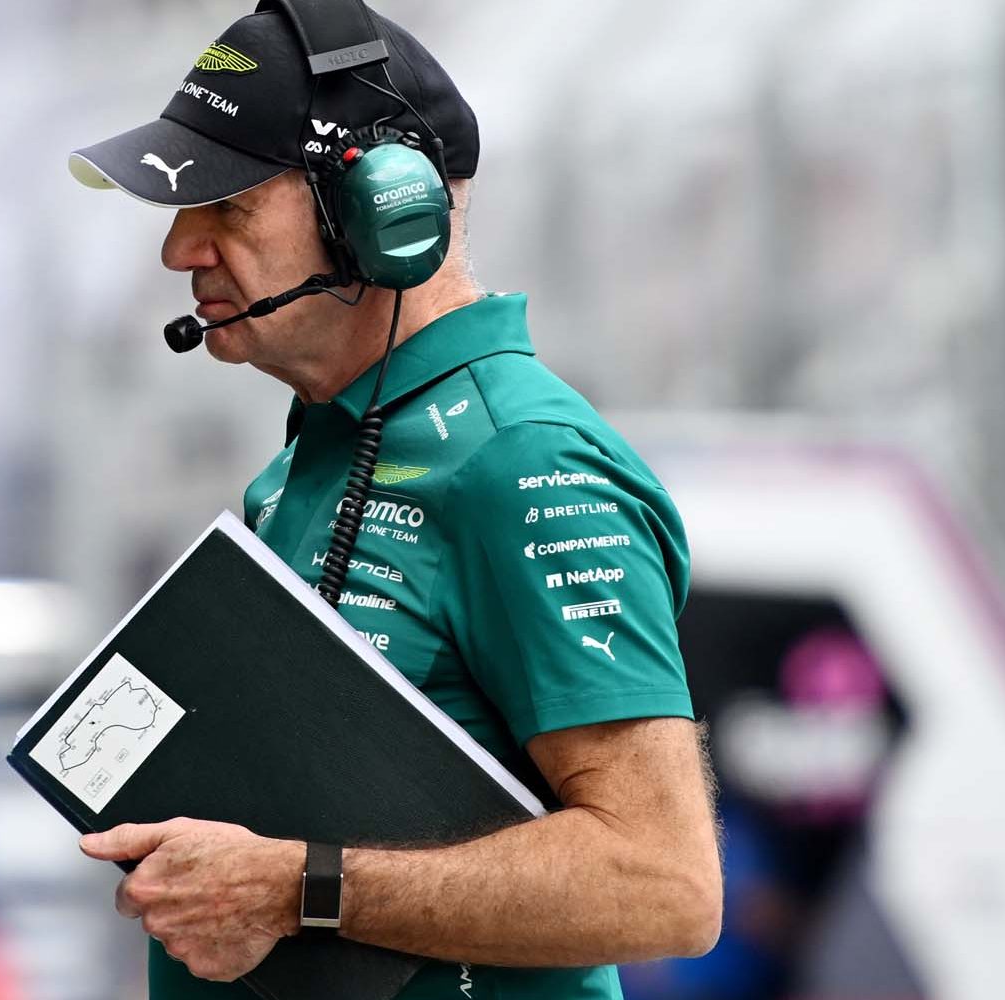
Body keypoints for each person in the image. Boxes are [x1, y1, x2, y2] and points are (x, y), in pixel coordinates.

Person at [61, 3, 723, 998]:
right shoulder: (302, 468)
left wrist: (299, 889)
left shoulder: (520, 462)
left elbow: (664, 883)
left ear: (380, 211)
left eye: (227, 206)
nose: (178, 251)